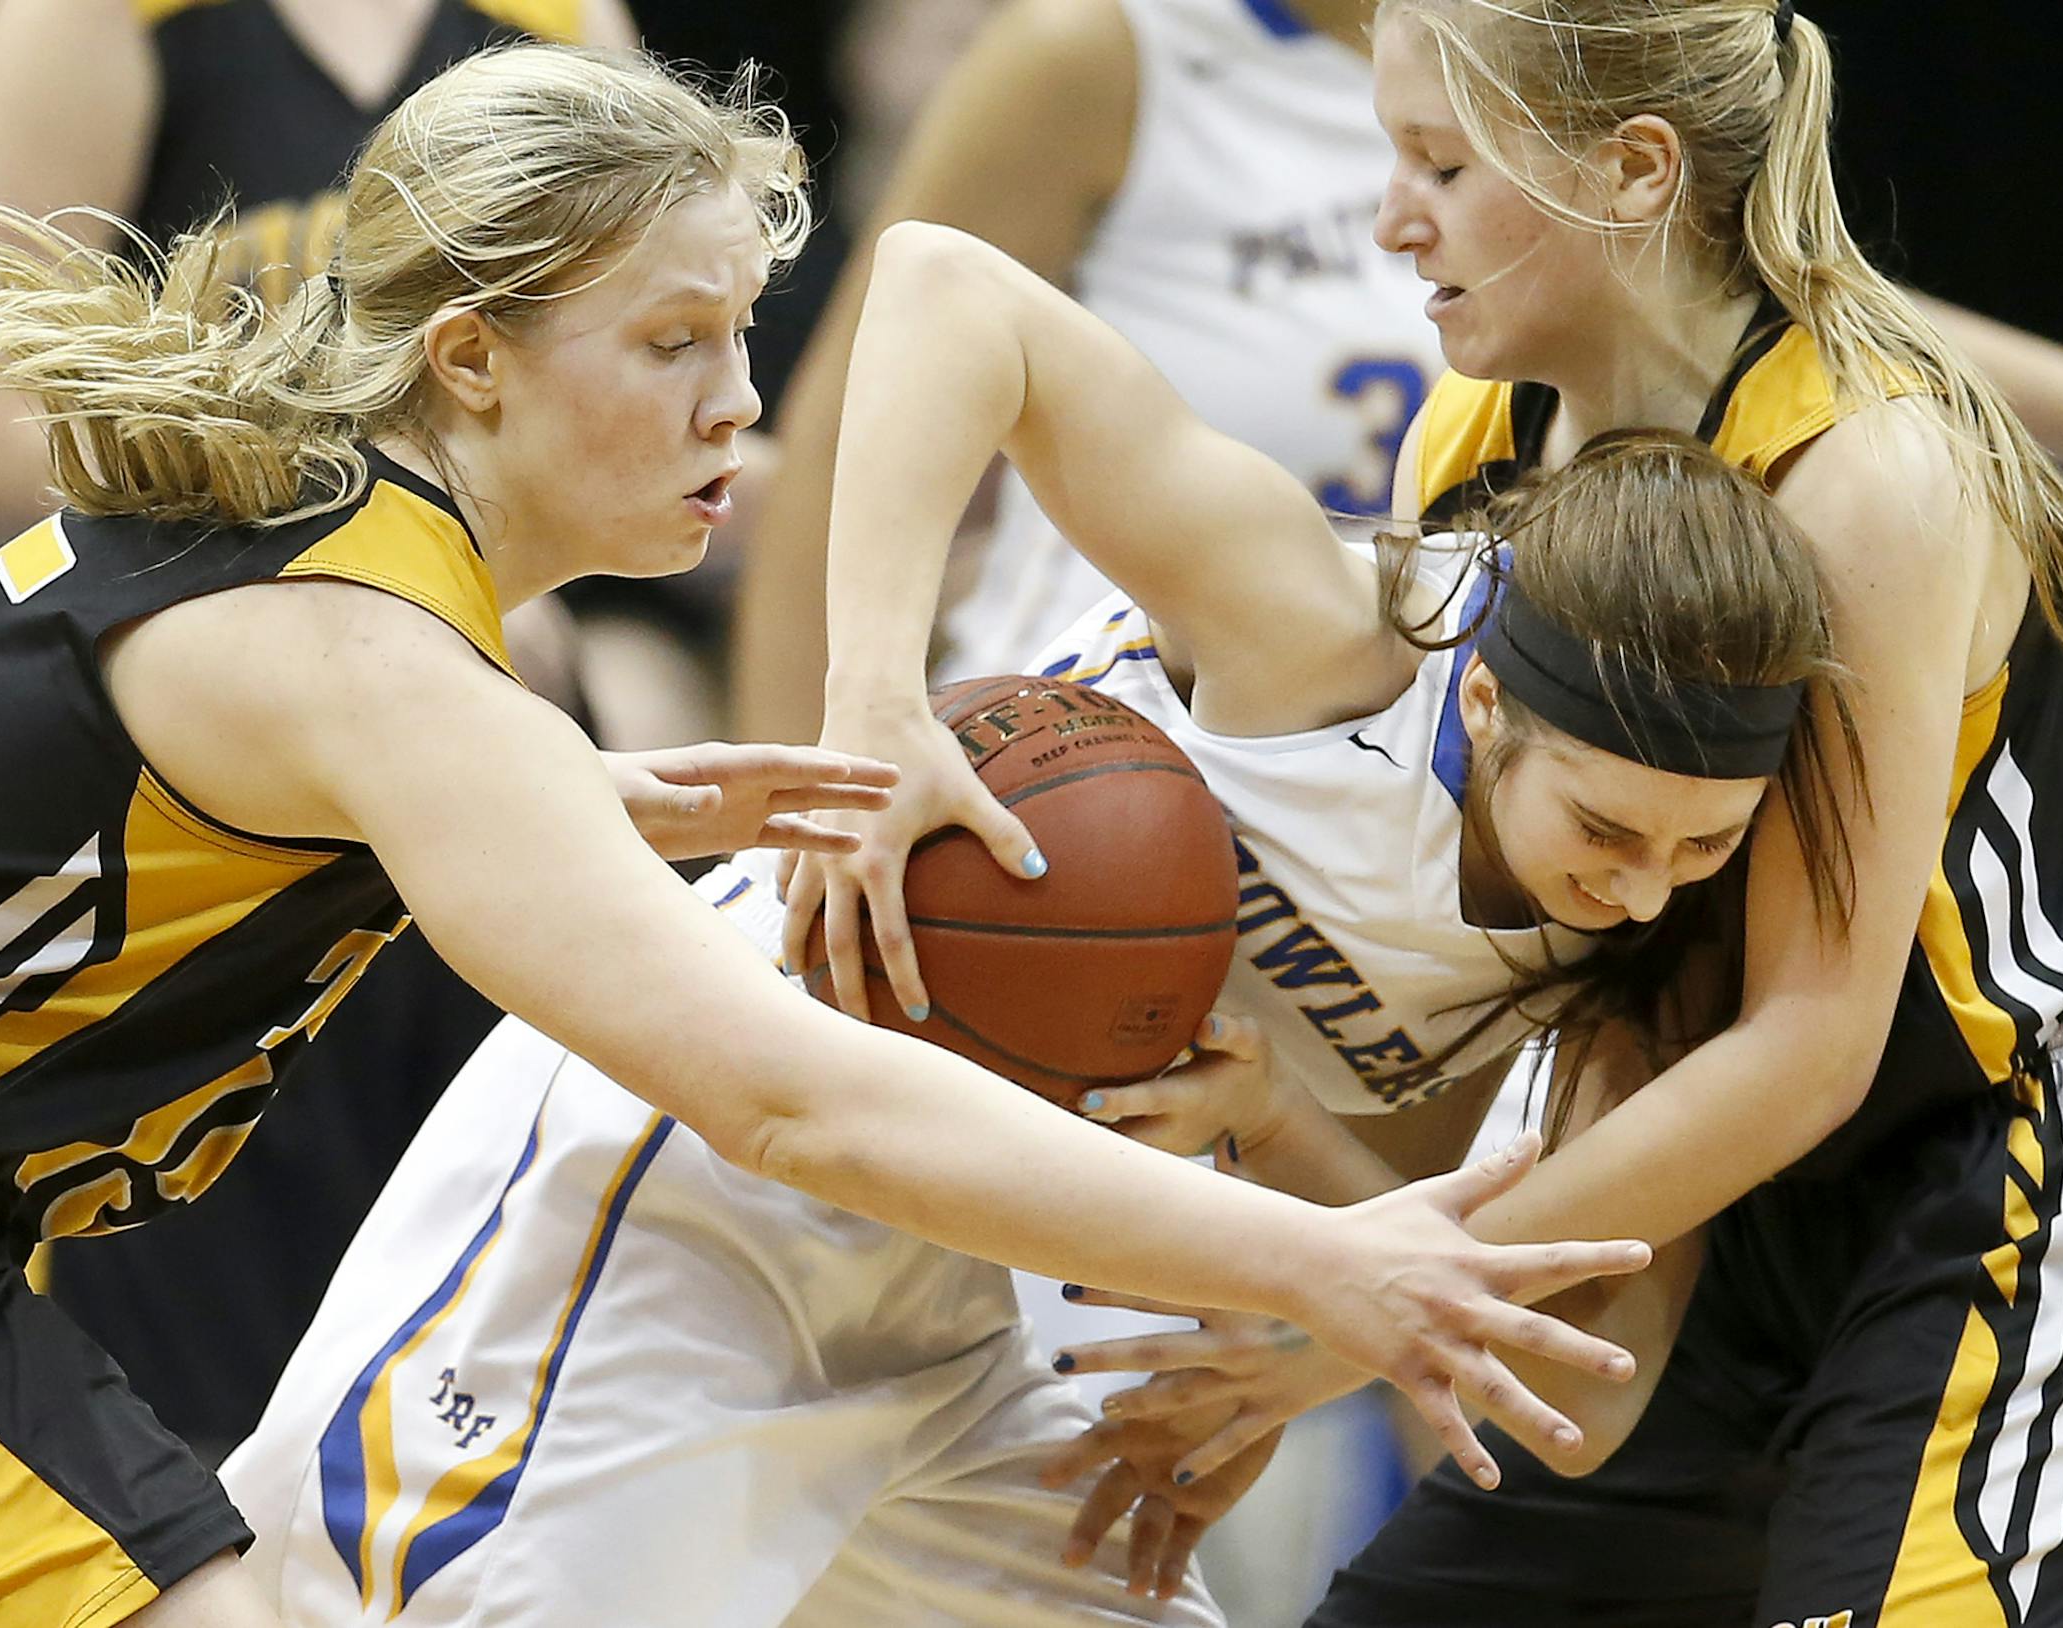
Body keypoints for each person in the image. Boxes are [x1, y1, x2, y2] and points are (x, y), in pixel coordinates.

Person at [0, 43, 1652, 1628]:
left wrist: (570, 804)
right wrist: (1323, 1260)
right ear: (472, 361)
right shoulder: (390, 671)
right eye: (672, 342)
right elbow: (789, 1095)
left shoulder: (319, 558)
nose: (739, 401)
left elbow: (102, 786)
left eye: (746, 334)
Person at [223, 380, 1847, 1621]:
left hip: (1016, 1280)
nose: (1642, 880)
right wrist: (872, 695)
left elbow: (1545, 1371)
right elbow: (951, 294)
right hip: (749, 1141)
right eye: (1610, 828)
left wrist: (1295, 1276)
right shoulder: (1315, 635)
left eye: (1702, 846)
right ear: (1487, 703)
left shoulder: (1617, 949)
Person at [1009, 2, 2063, 1621]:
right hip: (1705, 1184)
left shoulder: (1868, 473)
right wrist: (1308, 1191)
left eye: (1440, 160)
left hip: (1986, 1175)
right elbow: (1574, 999)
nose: (1390, 214)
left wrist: (1344, 1324)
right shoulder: (1485, 431)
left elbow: (1810, 1038)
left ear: (1634, 172)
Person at [0, 0, 640, 1460]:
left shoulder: (556, 21)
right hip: (213, 772)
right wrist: (357, 544)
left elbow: (650, 350)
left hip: (470, 730)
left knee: (502, 1348)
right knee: (207, 1381)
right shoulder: (96, 21)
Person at [731, 0, 1443, 745]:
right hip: (1095, 758)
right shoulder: (1090, 50)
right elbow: (846, 442)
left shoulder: (1535, 56)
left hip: (1422, 762)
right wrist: (793, 817)